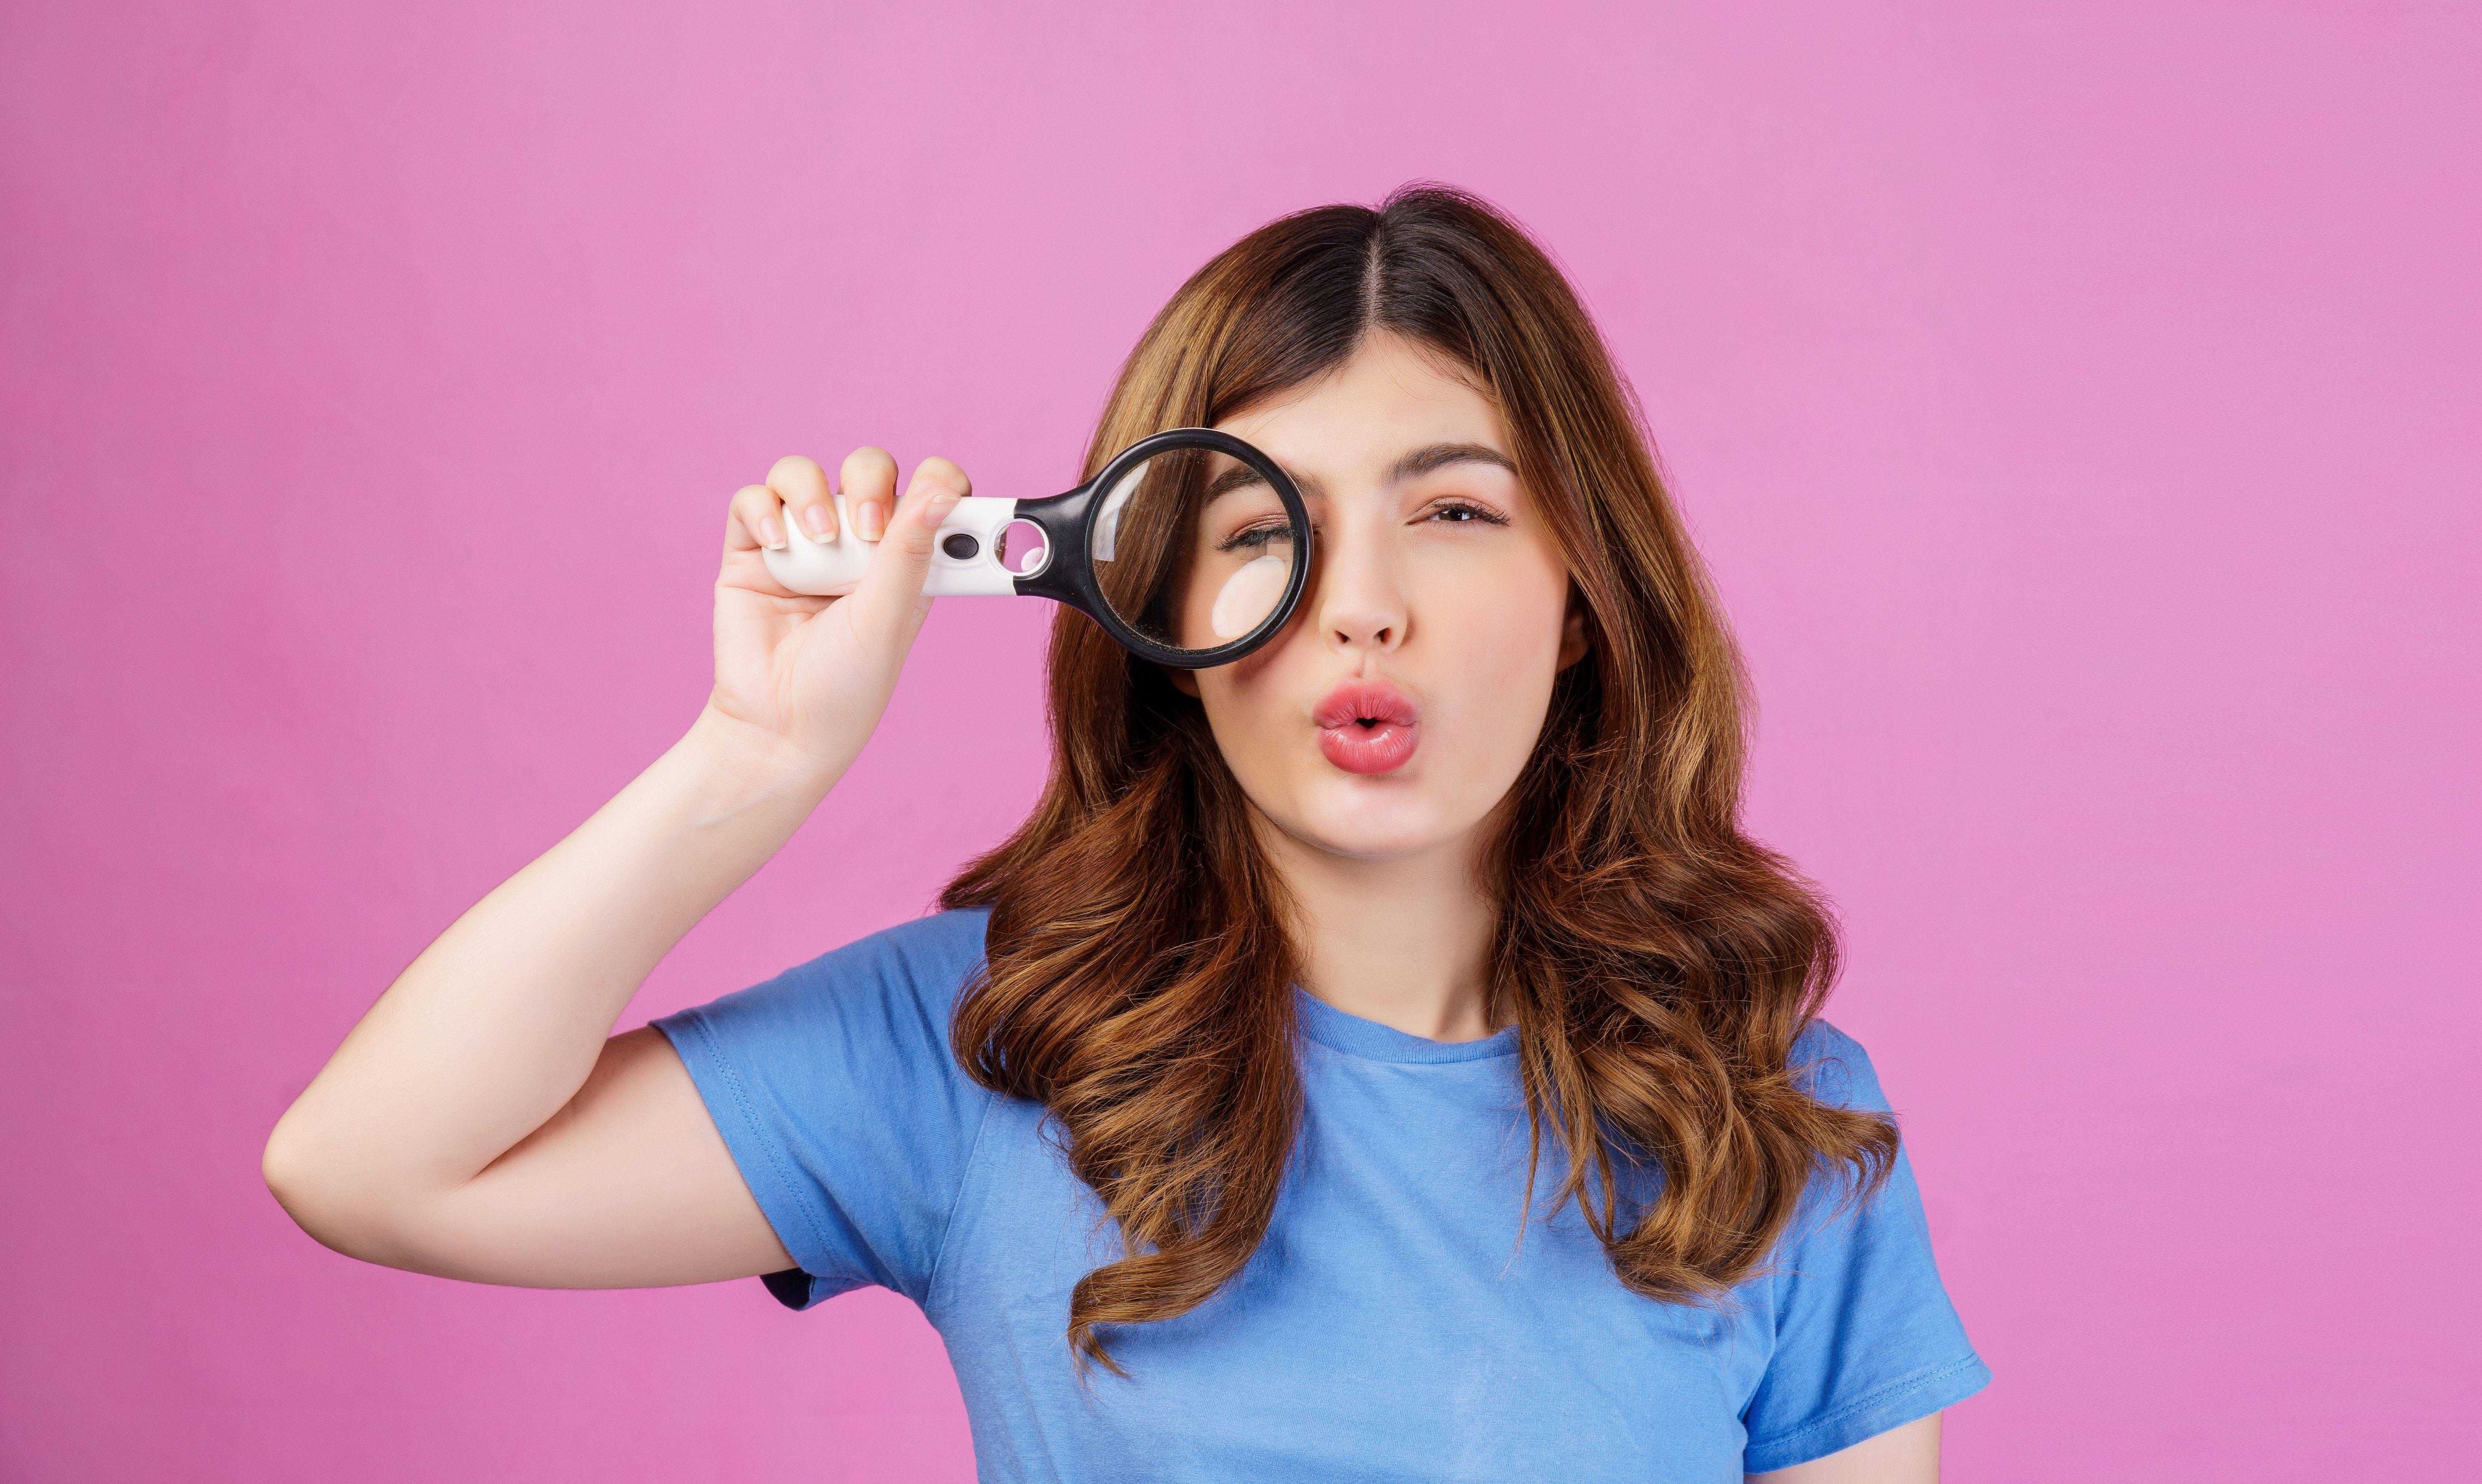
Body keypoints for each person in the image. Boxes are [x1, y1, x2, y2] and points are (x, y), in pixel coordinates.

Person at [263, 182, 1990, 1482]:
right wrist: (751, 759)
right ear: (1154, 611)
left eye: (1455, 510)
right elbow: (368, 1166)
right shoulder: (989, 1047)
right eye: (1261, 528)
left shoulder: (1781, 1115)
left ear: (1584, 603)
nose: (1361, 609)